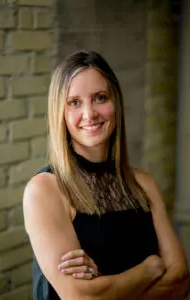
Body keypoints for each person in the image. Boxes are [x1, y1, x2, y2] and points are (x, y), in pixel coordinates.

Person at [23, 50, 190, 300]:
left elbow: (180, 281)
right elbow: (82, 297)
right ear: (60, 112)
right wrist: (149, 269)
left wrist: (107, 291)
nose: (90, 114)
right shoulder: (45, 190)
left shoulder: (143, 183)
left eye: (100, 98)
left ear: (115, 102)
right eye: (74, 102)